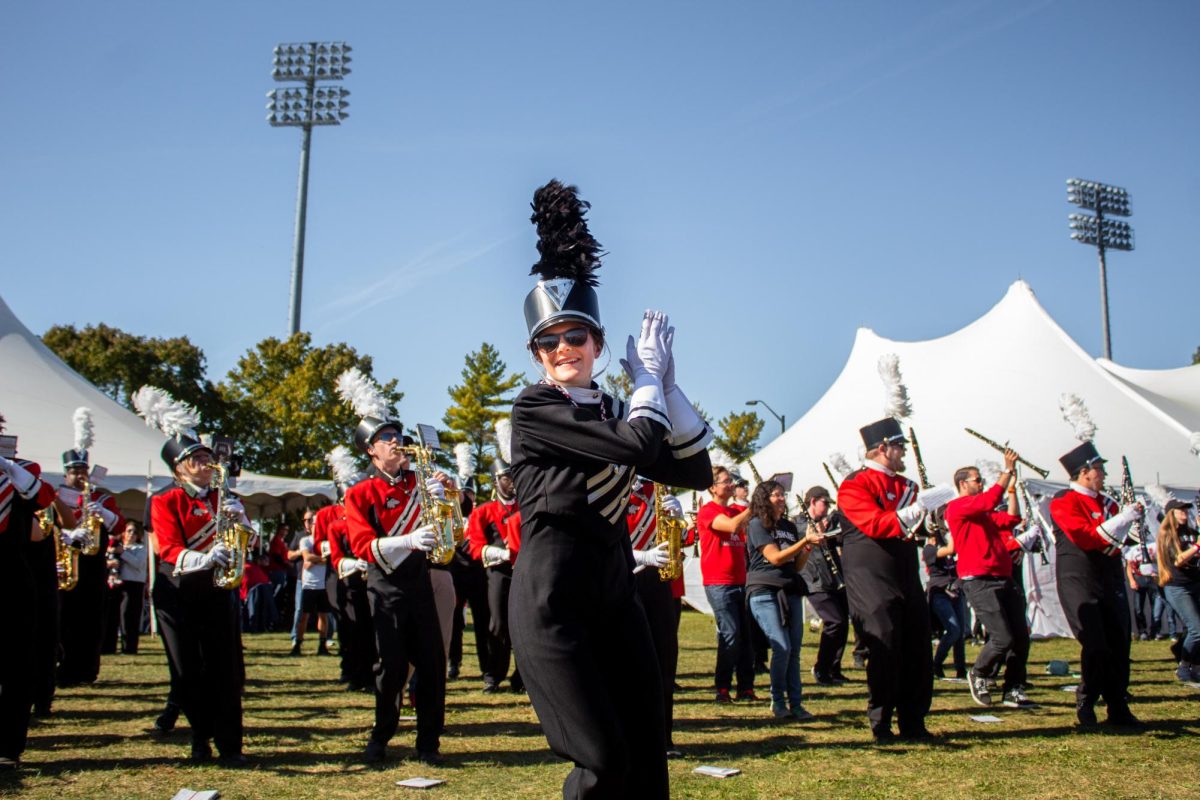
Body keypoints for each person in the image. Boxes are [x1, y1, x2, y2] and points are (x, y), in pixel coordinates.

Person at [507, 180, 712, 798]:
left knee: (648, 749)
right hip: (553, 603)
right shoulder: (534, 407)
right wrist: (646, 387)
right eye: (550, 341)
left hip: (615, 597)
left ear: (597, 343)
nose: (563, 348)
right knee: (601, 760)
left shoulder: (621, 407)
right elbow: (634, 448)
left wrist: (666, 388)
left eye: (575, 336)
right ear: (536, 354)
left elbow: (692, 471)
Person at [338, 368, 447, 766]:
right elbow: (364, 546)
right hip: (385, 586)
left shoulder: (421, 482)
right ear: (371, 450)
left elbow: (450, 524)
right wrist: (408, 540)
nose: (396, 442)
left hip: (420, 583)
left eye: (397, 436)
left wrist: (443, 496)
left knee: (434, 666)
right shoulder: (360, 492)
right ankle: (381, 736)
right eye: (386, 438)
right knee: (392, 667)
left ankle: (429, 743)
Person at [137, 386, 247, 765]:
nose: (205, 463)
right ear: (179, 468)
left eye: (206, 456)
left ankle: (231, 745)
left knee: (225, 669)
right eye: (196, 458)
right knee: (187, 671)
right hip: (178, 591)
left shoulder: (224, 498)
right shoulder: (164, 500)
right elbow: (167, 549)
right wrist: (206, 556)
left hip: (217, 591)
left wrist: (241, 522)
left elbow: (244, 538)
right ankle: (200, 737)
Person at [837, 416, 934, 742]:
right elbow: (877, 524)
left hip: (905, 572)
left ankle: (914, 721)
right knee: (885, 644)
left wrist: (929, 512)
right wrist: (920, 507)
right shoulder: (854, 485)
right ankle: (881, 721)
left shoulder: (909, 486)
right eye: (899, 446)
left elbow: (915, 527)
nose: (904, 452)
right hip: (869, 574)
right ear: (882, 449)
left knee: (918, 647)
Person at [1048, 440, 1142, 728]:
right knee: (1096, 644)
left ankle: (1117, 707)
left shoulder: (1109, 502)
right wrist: (1123, 519)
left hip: (1109, 575)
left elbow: (1115, 541)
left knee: (1119, 643)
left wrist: (1132, 531)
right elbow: (1085, 537)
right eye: (1098, 469)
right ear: (1083, 472)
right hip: (1079, 578)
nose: (1103, 475)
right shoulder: (1063, 500)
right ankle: (1086, 702)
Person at [945, 450, 1040, 708]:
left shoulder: (982, 512)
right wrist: (1006, 471)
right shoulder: (958, 507)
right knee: (1002, 637)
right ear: (963, 484)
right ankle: (979, 673)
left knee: (1020, 636)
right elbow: (987, 502)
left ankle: (1014, 688)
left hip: (1002, 576)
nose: (981, 483)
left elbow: (1011, 519)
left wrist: (1011, 490)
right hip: (979, 579)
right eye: (977, 480)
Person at [0, 423, 59, 771]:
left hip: (11, 575)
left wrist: (8, 468)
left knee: (15, 665)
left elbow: (43, 498)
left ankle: (8, 746)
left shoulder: (23, 469)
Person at [745, 480, 822, 720]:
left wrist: (807, 549)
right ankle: (777, 701)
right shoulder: (757, 524)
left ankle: (796, 704)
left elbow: (795, 565)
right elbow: (776, 558)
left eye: (782, 494)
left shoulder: (788, 526)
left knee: (794, 650)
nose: (781, 498)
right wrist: (804, 542)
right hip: (764, 590)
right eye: (775, 495)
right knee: (782, 646)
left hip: (790, 588)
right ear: (764, 499)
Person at [56, 439, 125, 686]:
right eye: (75, 472)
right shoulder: (55, 496)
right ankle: (60, 666)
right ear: (66, 473)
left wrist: (102, 513)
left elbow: (119, 526)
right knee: (62, 618)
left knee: (91, 618)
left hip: (92, 566)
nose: (80, 476)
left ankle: (86, 669)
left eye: (83, 471)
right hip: (63, 563)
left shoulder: (102, 499)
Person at [625, 478, 685, 752]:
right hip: (624, 579)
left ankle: (663, 737)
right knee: (630, 660)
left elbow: (681, 540)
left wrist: (679, 520)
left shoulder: (657, 491)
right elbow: (602, 540)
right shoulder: (611, 486)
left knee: (664, 658)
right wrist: (641, 556)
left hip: (659, 583)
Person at [464, 457, 522, 693]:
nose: (512, 483)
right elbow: (475, 547)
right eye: (507, 478)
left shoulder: (526, 506)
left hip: (524, 571)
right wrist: (503, 553)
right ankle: (493, 674)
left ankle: (522, 678)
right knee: (498, 624)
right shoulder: (483, 511)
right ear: (496, 481)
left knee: (523, 626)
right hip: (497, 573)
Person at [698, 466, 756, 704]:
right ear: (713, 487)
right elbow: (732, 526)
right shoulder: (708, 511)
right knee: (730, 633)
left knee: (745, 636)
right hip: (718, 582)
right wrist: (752, 508)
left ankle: (745, 687)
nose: (731, 485)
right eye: (726, 482)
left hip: (740, 580)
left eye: (732, 481)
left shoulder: (735, 510)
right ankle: (722, 687)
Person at [797, 486, 851, 685]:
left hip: (833, 579)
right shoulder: (800, 523)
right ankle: (821, 668)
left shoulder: (828, 523)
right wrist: (816, 532)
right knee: (834, 621)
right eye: (824, 503)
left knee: (843, 623)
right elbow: (803, 536)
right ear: (812, 502)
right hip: (814, 581)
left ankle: (833, 668)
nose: (827, 508)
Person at [1155, 499, 1200, 683]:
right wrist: (1197, 546)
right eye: (1180, 511)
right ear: (1171, 513)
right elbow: (1178, 560)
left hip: (1195, 582)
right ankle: (1183, 665)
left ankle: (1195, 668)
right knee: (1197, 630)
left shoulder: (1191, 532)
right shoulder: (1167, 534)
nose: (1185, 514)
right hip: (1177, 586)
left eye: (1186, 511)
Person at [922, 512, 968, 683]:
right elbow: (951, 550)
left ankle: (961, 669)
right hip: (939, 592)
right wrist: (955, 526)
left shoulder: (945, 545)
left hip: (955, 590)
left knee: (960, 633)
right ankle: (937, 663)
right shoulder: (929, 550)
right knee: (953, 629)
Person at [292, 509, 332, 657]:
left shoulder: (327, 542)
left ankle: (322, 645)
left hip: (323, 584)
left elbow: (329, 559)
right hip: (308, 584)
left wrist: (316, 560)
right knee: (304, 616)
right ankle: (297, 644)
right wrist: (321, 559)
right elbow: (307, 557)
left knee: (323, 616)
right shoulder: (305, 540)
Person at [113, 521, 149, 653]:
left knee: (129, 616)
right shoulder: (118, 547)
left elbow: (139, 564)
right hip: (118, 583)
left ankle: (129, 647)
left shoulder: (141, 549)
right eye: (129, 531)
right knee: (117, 615)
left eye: (134, 532)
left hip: (134, 584)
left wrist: (123, 554)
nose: (131, 534)